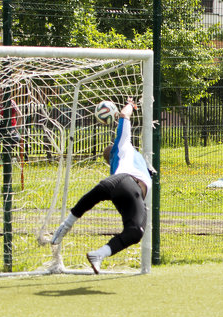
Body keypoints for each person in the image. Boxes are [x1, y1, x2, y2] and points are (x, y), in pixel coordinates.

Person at [38, 98, 152, 274]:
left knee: (133, 231)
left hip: (126, 191)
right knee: (131, 227)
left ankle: (88, 245)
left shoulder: (124, 161)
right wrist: (131, 104)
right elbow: (124, 115)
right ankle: (75, 233)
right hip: (128, 185)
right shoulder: (122, 146)